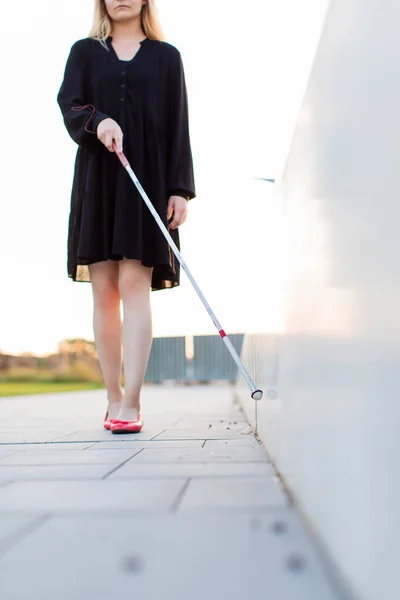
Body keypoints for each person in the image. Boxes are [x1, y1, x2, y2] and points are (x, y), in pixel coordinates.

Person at [57, 0, 196, 434]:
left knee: (136, 283)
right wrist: (97, 123)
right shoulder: (83, 51)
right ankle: (111, 396)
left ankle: (132, 401)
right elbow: (70, 105)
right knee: (104, 291)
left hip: (147, 181)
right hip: (99, 179)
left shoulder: (167, 57)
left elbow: (179, 125)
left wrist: (180, 189)